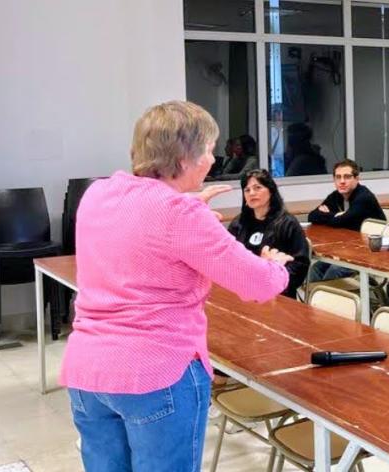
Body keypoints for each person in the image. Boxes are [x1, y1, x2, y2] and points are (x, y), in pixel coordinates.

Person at [62, 100, 292, 471]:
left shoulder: (97, 195)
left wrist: (186, 206)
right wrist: (277, 266)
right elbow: (257, 284)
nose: (213, 160)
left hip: (88, 372)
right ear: (185, 158)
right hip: (157, 375)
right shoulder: (182, 215)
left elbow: (140, 222)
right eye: (208, 150)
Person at [227, 169, 311, 297]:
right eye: (247, 190)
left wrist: (273, 279)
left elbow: (300, 264)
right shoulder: (238, 223)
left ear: (271, 191)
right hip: (242, 289)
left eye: (257, 188)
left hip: (276, 293)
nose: (252, 193)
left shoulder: (288, 223)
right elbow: (228, 258)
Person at [307, 159, 386, 281]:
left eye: (347, 177)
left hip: (368, 250)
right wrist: (336, 215)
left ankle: (328, 294)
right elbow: (312, 216)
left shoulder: (364, 197)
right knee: (316, 268)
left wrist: (332, 216)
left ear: (357, 179)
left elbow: (339, 221)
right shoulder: (336, 196)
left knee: (334, 270)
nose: (342, 181)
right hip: (346, 248)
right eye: (338, 177)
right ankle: (316, 294)